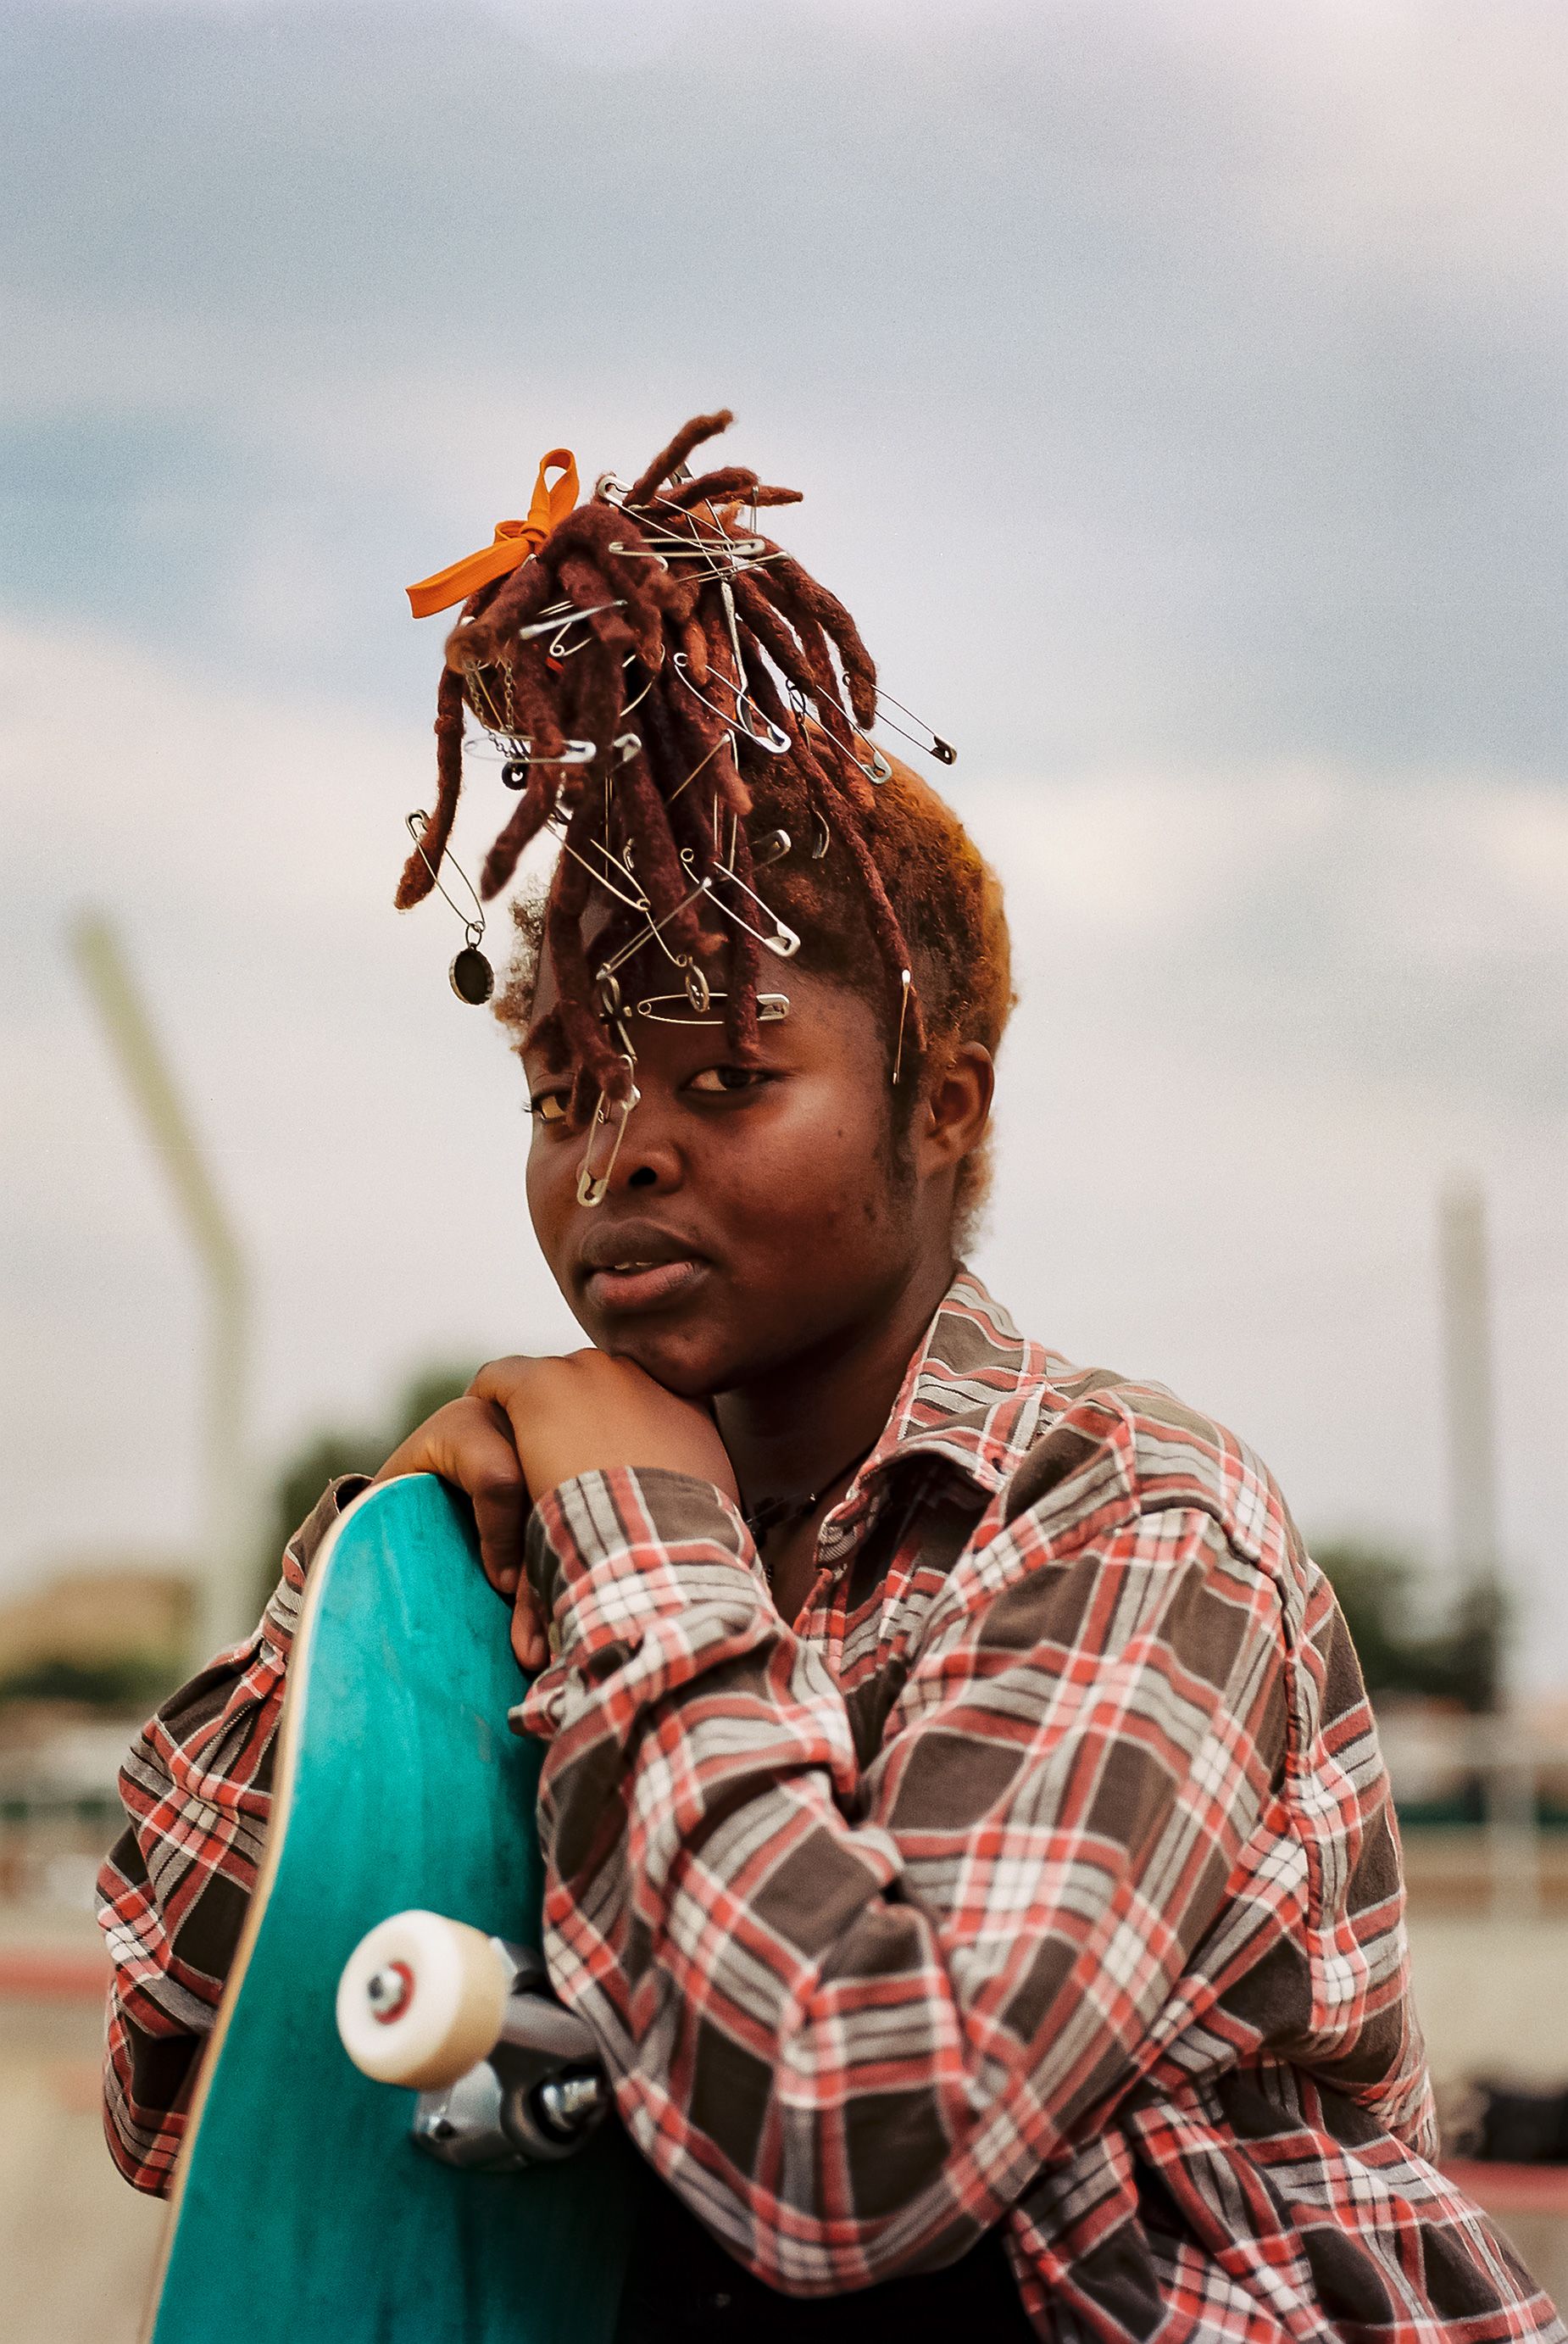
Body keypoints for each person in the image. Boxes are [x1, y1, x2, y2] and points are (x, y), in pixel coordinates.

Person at [97, 414, 1562, 2341]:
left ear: (937, 1102)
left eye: (723, 1077)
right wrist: (367, 1602)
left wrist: (642, 1531)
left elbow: (859, 2140)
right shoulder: (505, 1551)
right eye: (562, 1091)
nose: (615, 1150)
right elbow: (174, 2084)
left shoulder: (1130, 1518)